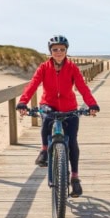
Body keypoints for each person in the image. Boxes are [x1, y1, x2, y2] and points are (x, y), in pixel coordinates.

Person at [16, 35, 99, 197]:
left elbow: (82, 87)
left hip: (69, 108)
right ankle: (45, 150)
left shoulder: (72, 68)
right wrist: (23, 102)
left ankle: (74, 178)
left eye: (62, 49)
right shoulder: (43, 68)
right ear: (50, 52)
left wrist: (92, 105)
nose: (59, 52)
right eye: (55, 50)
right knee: (46, 118)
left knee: (72, 141)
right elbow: (32, 84)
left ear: (67, 50)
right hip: (49, 104)